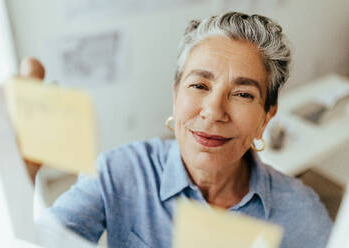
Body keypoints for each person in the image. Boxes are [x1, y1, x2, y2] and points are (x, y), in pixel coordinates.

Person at [24, 12, 332, 248]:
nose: (213, 111)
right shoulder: (119, 172)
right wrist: (17, 178)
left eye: (243, 94)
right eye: (199, 85)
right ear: (175, 96)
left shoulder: (302, 212)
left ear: (267, 116)